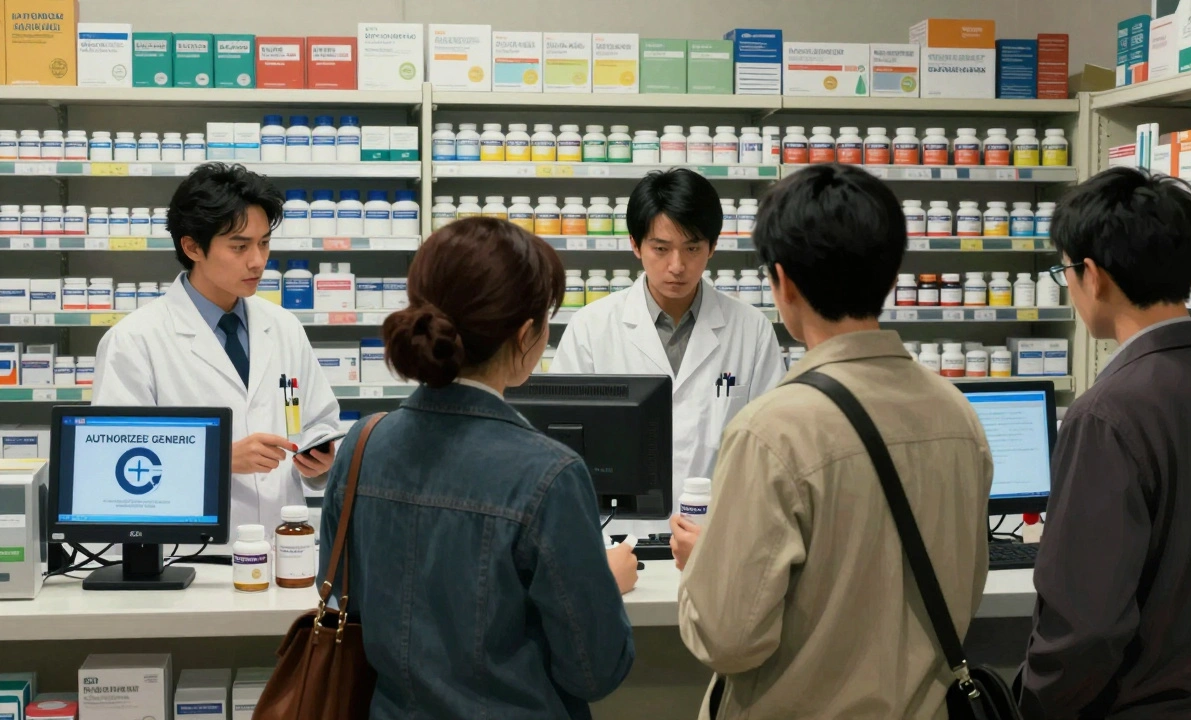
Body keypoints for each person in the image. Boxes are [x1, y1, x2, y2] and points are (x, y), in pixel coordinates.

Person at [671, 164, 993, 720]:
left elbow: (728, 638)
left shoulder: (773, 430)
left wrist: (709, 566)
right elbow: (963, 585)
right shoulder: (958, 416)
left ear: (783, 281)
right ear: (891, 276)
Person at [319, 217, 637, 720]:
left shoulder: (364, 445)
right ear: (527, 333)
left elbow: (345, 607)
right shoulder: (549, 475)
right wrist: (604, 587)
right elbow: (594, 671)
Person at [1017, 168, 1191, 719]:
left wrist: (1033, 707)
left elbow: (1082, 626)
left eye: (1065, 269)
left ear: (1093, 275)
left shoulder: (1107, 415)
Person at [92, 163, 340, 531]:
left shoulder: (284, 327)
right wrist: (217, 458)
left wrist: (320, 460)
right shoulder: (134, 340)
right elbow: (117, 461)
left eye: (264, 243)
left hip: (281, 545)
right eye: (239, 246)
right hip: (188, 556)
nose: (257, 261)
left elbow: (320, 422)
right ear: (192, 247)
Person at [551, 168, 786, 536]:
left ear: (712, 246)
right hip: (618, 541)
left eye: (692, 248)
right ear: (635, 245)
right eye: (661, 249)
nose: (677, 266)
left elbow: (774, 450)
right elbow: (560, 451)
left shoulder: (751, 330)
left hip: (720, 541)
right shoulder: (591, 328)